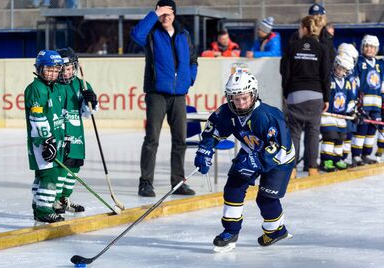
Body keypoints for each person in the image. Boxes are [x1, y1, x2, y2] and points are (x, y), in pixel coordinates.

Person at [194, 71, 295, 252]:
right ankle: (230, 232)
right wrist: (205, 149)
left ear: (253, 94)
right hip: (251, 151)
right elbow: (213, 131)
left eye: (244, 98)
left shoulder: (267, 116)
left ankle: (276, 231)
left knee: (265, 199)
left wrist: (255, 161)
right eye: (235, 99)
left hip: (280, 161)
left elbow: (281, 148)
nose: (240, 104)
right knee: (233, 187)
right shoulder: (226, 112)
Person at [132, 0, 198, 197]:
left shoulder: (184, 35)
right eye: (161, 13)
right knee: (152, 139)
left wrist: (189, 79)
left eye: (168, 13)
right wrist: (153, 14)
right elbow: (136, 35)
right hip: (157, 94)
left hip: (179, 95)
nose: (165, 16)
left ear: (174, 15)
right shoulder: (151, 34)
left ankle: (178, 182)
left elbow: (193, 60)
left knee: (180, 140)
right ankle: (145, 183)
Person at [280, 15, 330, 177]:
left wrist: (286, 93)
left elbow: (285, 73)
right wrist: (327, 98)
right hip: (316, 95)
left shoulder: (292, 46)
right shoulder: (322, 48)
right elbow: (325, 76)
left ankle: (292, 169)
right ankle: (312, 168)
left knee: (294, 132)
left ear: (304, 28)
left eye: (299, 28)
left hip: (296, 93)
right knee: (313, 132)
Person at [53, 47, 98, 214]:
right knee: (59, 168)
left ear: (75, 67)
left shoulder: (81, 84)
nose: (66, 72)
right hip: (58, 133)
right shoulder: (52, 85)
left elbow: (89, 112)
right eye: (62, 69)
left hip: (75, 133)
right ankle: (55, 200)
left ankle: (65, 199)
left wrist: (91, 100)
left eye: (69, 68)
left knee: (74, 167)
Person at [24, 50, 66, 223]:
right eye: (49, 69)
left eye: (56, 70)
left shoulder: (55, 88)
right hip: (41, 142)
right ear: (39, 68)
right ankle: (43, 210)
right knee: (50, 175)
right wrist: (46, 140)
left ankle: (39, 205)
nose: (53, 73)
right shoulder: (36, 89)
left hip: (53, 140)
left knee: (43, 175)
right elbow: (37, 116)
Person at [350, 35, 384, 167]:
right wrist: (357, 101)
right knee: (361, 129)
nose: (369, 49)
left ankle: (366, 154)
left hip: (376, 104)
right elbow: (354, 83)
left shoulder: (379, 64)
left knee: (372, 130)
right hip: (363, 104)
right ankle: (356, 155)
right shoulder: (359, 62)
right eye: (367, 46)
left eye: (372, 47)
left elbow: (382, 85)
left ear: (376, 49)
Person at [320, 54, 356, 172]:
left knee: (341, 137)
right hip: (328, 115)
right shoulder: (329, 80)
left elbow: (351, 99)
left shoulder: (347, 83)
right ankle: (326, 160)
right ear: (335, 66)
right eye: (339, 68)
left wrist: (350, 110)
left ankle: (337, 159)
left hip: (341, 117)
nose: (341, 71)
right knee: (330, 136)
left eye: (344, 69)